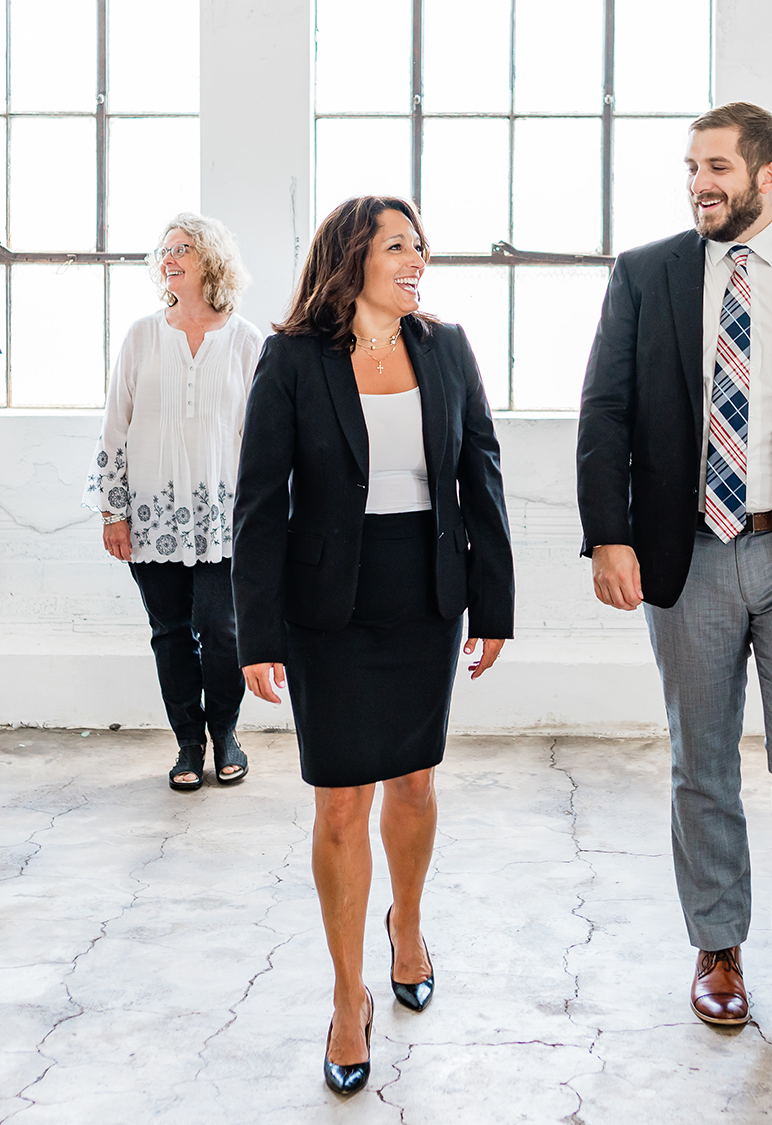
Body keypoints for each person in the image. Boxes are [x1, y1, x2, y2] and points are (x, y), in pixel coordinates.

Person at [575, 102, 772, 1055]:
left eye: (716, 165)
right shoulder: (647, 274)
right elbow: (605, 410)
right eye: (690, 167)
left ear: (770, 172)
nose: (698, 182)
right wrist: (608, 535)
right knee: (701, 761)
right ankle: (718, 946)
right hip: (689, 552)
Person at [232, 196, 514, 1094]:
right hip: (327, 608)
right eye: (399, 245)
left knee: (416, 781)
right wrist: (257, 629)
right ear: (353, 257)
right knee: (341, 803)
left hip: (425, 593)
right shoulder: (292, 360)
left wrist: (494, 603)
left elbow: (482, 475)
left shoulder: (447, 347)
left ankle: (409, 925)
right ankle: (347, 994)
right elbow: (257, 502)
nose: (416, 258)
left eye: (420, 245)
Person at [84, 213, 261, 791]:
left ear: (211, 258)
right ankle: (189, 742)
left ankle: (226, 732)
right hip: (149, 515)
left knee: (223, 628)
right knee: (169, 631)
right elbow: (115, 426)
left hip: (225, 517)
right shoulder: (141, 335)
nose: (169, 257)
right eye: (163, 250)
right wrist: (114, 511)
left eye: (182, 248)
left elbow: (263, 440)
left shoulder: (247, 341)